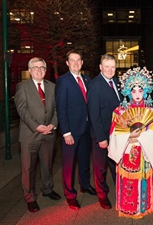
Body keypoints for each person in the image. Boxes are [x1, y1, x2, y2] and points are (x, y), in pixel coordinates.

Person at [108, 66, 153, 219]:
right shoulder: (120, 111)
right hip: (125, 152)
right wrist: (128, 138)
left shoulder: (152, 112)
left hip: (143, 153)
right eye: (134, 91)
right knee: (126, 180)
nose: (138, 94)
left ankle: (143, 206)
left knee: (143, 179)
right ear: (128, 92)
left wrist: (139, 138)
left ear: (146, 90)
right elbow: (114, 133)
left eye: (141, 90)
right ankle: (126, 206)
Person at [14, 57, 61, 213]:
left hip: (49, 133)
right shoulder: (22, 87)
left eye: (42, 67)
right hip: (30, 135)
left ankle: (47, 189)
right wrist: (37, 127)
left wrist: (53, 124)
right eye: (35, 67)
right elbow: (22, 111)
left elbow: (57, 110)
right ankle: (30, 197)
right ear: (30, 70)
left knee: (47, 165)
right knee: (28, 168)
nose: (39, 70)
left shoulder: (53, 87)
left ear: (45, 70)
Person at [55, 49, 96, 210]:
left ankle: (85, 185)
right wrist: (66, 132)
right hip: (71, 131)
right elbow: (61, 108)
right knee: (69, 164)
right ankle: (70, 195)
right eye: (72, 60)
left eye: (78, 60)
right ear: (67, 63)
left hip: (86, 129)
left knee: (85, 161)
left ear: (82, 62)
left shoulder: (87, 79)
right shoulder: (63, 81)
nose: (75, 63)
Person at [87, 54, 123, 209]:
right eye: (106, 66)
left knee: (116, 165)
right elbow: (94, 115)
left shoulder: (116, 82)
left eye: (113, 67)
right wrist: (102, 138)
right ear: (100, 67)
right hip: (102, 135)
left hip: (117, 134)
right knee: (101, 168)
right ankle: (102, 196)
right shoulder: (95, 85)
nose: (110, 69)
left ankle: (120, 193)